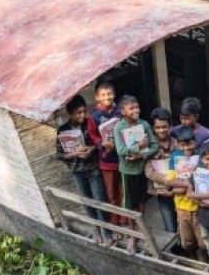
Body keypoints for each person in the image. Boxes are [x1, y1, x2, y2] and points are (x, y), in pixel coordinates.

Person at [55, 95, 110, 244]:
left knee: (99, 200)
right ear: (69, 113)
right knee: (86, 201)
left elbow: (98, 142)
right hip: (77, 170)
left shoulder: (89, 123)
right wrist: (75, 153)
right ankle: (96, 229)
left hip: (93, 168)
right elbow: (59, 154)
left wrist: (91, 149)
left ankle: (106, 231)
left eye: (84, 111)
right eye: (78, 112)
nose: (82, 115)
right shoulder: (63, 130)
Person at [113, 95, 159, 253]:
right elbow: (120, 150)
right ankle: (133, 235)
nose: (136, 110)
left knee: (141, 201)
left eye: (137, 107)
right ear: (123, 111)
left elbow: (154, 146)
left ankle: (142, 230)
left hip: (141, 169)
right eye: (132, 108)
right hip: (127, 171)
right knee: (130, 203)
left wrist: (141, 155)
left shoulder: (144, 124)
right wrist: (138, 146)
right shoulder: (119, 127)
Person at [166, 127, 207, 262]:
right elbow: (170, 181)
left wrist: (179, 188)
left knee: (202, 241)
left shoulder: (201, 156)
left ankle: (205, 259)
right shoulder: (175, 157)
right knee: (187, 240)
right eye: (182, 145)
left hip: (199, 206)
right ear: (177, 144)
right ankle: (192, 258)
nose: (186, 148)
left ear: (195, 142)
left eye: (189, 144)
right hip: (182, 206)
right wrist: (189, 184)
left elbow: (205, 182)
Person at [88, 81, 123, 217]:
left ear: (114, 95)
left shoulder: (120, 111)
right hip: (107, 160)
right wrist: (102, 143)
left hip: (122, 157)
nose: (107, 97)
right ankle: (114, 221)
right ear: (97, 97)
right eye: (103, 95)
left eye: (110, 94)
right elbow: (92, 135)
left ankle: (125, 219)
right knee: (111, 193)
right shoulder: (94, 116)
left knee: (123, 191)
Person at [144, 108, 178, 234]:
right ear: (153, 128)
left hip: (179, 190)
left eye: (165, 126)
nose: (162, 130)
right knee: (170, 226)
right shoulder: (150, 147)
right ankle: (173, 251)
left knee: (183, 222)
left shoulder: (177, 144)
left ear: (170, 126)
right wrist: (167, 181)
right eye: (158, 127)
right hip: (161, 191)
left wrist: (175, 185)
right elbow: (149, 171)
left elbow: (183, 167)